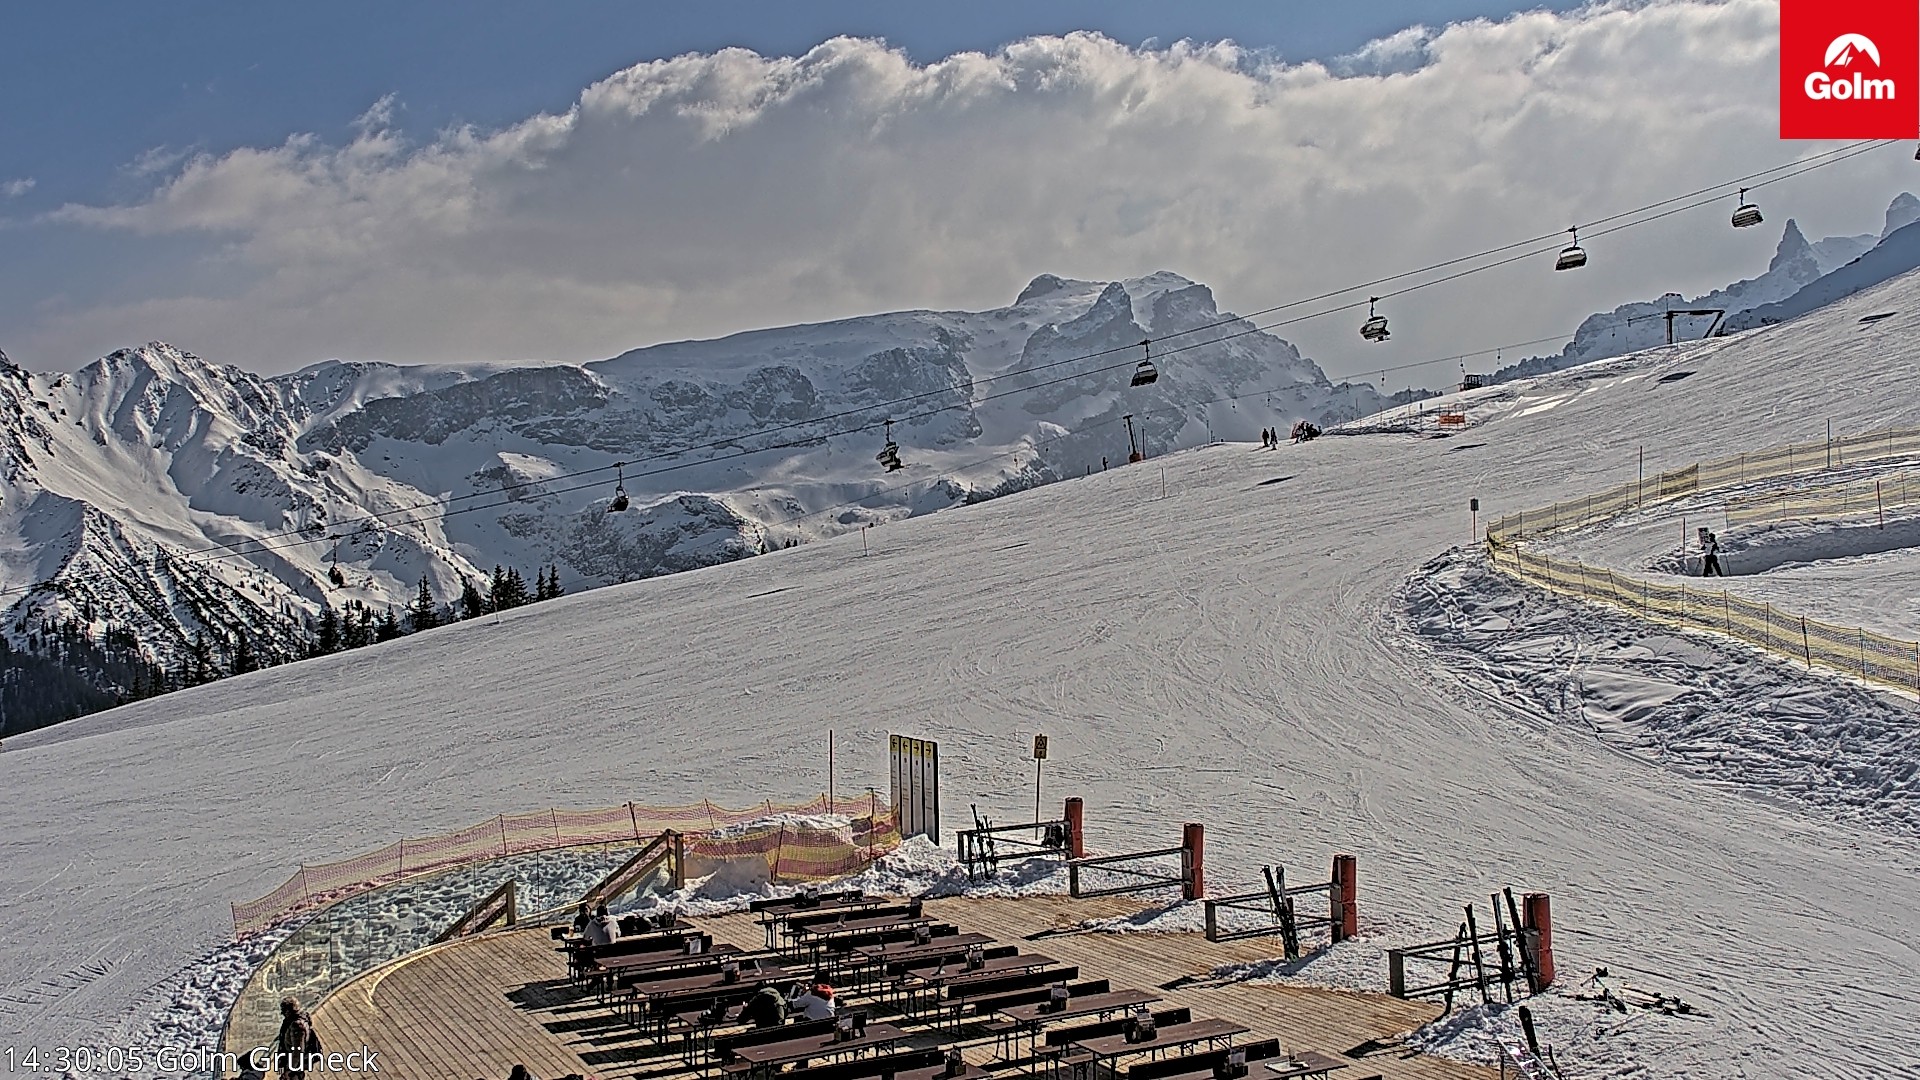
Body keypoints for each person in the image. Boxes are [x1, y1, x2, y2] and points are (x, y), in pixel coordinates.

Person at [272, 997, 319, 1080]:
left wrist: (290, 1069)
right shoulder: (296, 1019)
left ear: (288, 1011)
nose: (282, 1013)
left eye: (284, 1011)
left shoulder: (297, 1027)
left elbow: (298, 1052)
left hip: (295, 1065)